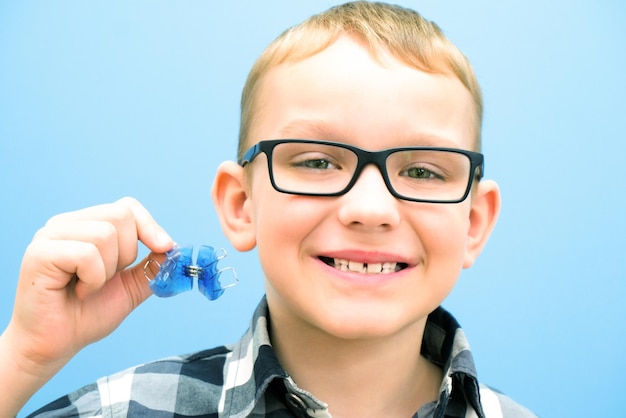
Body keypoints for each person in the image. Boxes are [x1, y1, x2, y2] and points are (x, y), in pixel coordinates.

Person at [0, 2, 538, 417]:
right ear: (240, 205)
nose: (370, 208)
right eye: (317, 162)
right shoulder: (123, 409)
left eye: (422, 171)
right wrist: (22, 358)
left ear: (474, 223)